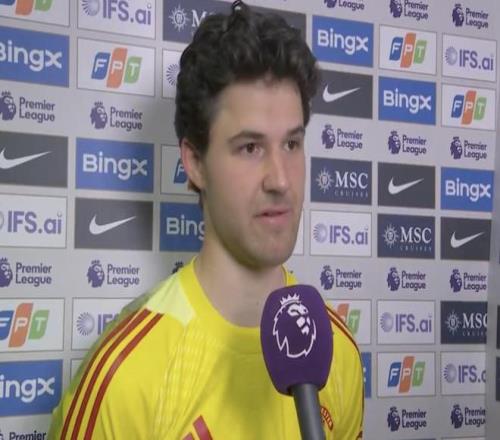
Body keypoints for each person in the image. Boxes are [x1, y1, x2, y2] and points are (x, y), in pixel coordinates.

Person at [49, 1, 364, 438]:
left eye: (292, 144)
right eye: (250, 148)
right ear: (195, 162)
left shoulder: (336, 351)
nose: (280, 180)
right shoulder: (125, 377)